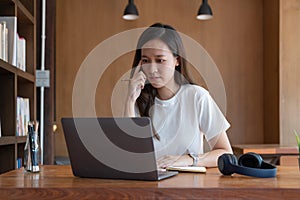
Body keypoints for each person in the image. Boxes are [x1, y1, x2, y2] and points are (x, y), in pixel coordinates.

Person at [124, 23, 232, 168]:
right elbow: (128, 156)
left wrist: (189, 159)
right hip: (148, 187)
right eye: (145, 60)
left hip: (188, 187)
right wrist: (130, 100)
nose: (152, 69)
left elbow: (225, 153)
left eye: (160, 60)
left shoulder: (197, 97)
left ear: (177, 60)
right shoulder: (139, 100)